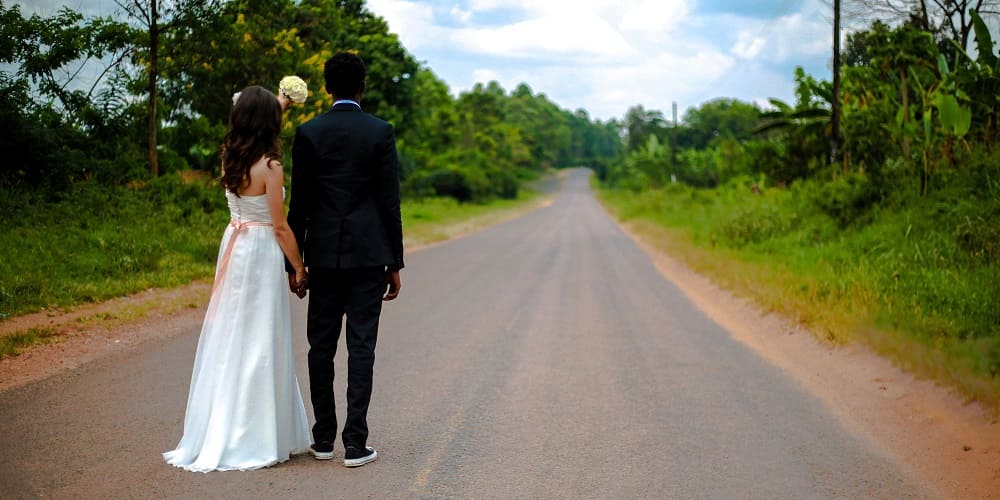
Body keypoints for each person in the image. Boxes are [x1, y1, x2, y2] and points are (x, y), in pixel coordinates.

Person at [163, 85, 312, 472]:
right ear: (270, 122)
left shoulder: (230, 155)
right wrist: (298, 266)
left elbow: (257, 112)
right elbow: (280, 226)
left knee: (233, 333)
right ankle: (256, 432)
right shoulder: (271, 167)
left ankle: (221, 425)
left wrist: (281, 99)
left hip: (235, 241)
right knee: (261, 334)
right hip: (261, 248)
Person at [286, 51, 404, 468]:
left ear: (325, 87)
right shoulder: (379, 132)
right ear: (362, 86)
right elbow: (390, 201)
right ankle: (355, 443)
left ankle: (322, 440)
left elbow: (298, 205)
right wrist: (395, 262)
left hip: (322, 257)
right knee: (361, 347)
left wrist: (294, 264)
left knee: (320, 347)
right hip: (370, 257)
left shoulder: (308, 133)